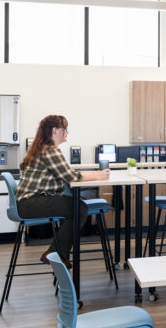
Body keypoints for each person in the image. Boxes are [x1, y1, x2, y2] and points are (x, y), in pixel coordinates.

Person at [16, 115, 109, 269]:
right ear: (55, 130)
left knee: (76, 207)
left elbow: (67, 174)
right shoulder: (50, 150)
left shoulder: (44, 148)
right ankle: (57, 253)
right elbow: (71, 176)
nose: (67, 132)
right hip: (31, 203)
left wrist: (94, 175)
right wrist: (98, 175)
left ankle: (58, 253)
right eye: (65, 128)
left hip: (29, 201)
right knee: (79, 208)